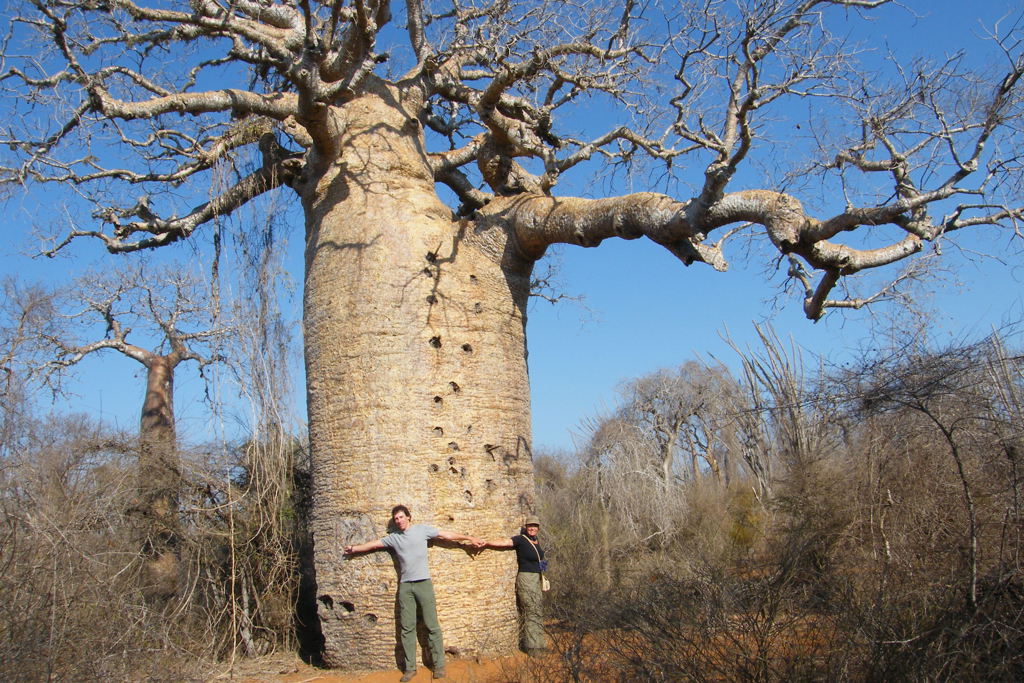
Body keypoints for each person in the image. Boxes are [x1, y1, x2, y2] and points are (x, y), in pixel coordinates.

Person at [344, 504, 484, 682]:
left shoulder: (421, 530)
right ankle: (410, 668)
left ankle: (439, 665)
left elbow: (445, 535)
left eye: (401, 517)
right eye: (396, 519)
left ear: (409, 517)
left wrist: (469, 538)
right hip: (405, 586)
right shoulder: (394, 538)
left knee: (432, 625)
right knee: (407, 628)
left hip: (423, 583)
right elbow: (374, 545)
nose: (399, 521)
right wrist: (354, 548)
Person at [481, 515, 548, 655]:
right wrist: (486, 542)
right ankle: (533, 648)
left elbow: (539, 558)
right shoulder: (521, 539)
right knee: (531, 611)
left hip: (536, 578)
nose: (532, 528)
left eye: (535, 526)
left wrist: (544, 572)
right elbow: (505, 542)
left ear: (538, 528)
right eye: (530, 526)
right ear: (526, 527)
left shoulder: (536, 541)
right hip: (526, 579)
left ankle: (540, 644)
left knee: (538, 610)